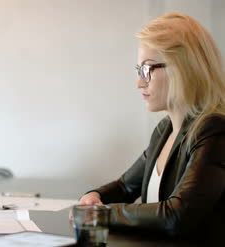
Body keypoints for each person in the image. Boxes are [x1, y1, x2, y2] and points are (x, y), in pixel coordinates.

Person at [78, 12, 225, 239]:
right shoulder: (164, 130)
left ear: (182, 68)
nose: (139, 83)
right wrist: (94, 196)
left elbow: (176, 215)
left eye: (147, 69)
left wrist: (101, 213)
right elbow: (126, 187)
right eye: (139, 71)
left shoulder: (214, 131)